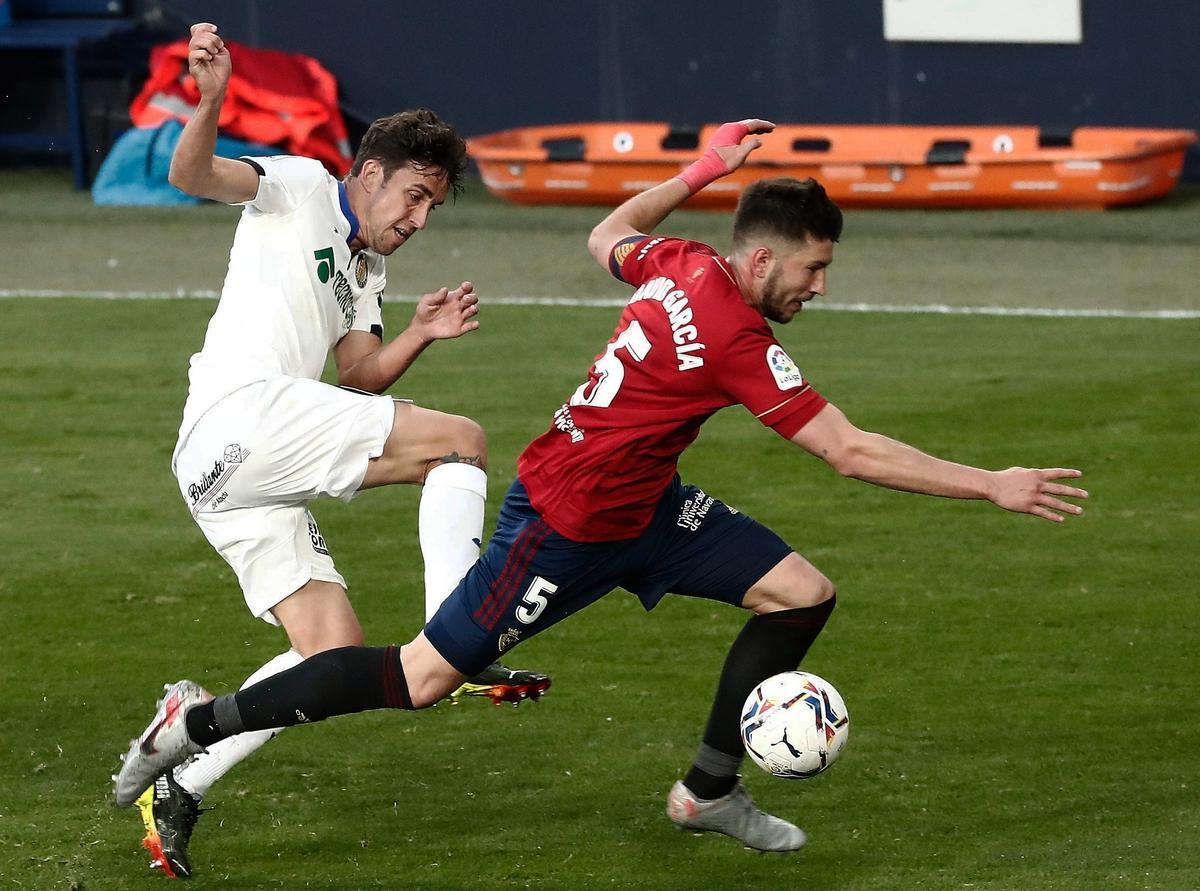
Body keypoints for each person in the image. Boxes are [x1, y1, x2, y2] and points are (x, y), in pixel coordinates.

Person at [114, 117, 1088, 860]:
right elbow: (849, 451)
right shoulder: (737, 336)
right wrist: (992, 484)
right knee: (414, 678)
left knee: (803, 594)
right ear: (762, 259)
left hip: (649, 507)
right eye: (813, 269)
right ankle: (197, 725)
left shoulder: (677, 263)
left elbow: (608, 234)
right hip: (564, 526)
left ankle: (709, 789)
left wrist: (702, 171)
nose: (819, 288)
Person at [128, 22, 550, 879]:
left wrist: (421, 333)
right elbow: (189, 173)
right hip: (240, 417)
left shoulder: (368, 273)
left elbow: (358, 373)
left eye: (433, 207)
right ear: (368, 173)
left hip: (229, 471)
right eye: (414, 196)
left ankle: (179, 771)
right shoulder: (297, 184)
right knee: (460, 443)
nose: (420, 218)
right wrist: (210, 102)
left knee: (332, 654)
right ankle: (461, 637)